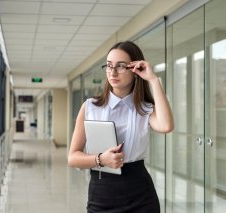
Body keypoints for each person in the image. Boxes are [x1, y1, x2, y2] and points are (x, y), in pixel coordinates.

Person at [68, 41, 174, 213]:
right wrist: (101, 159)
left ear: (135, 70)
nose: (113, 72)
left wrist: (153, 79)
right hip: (101, 194)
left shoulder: (144, 108)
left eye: (121, 66)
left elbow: (166, 126)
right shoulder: (90, 107)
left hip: (141, 196)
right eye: (109, 66)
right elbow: (73, 158)